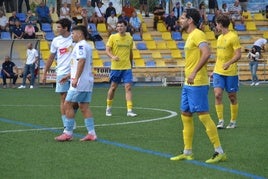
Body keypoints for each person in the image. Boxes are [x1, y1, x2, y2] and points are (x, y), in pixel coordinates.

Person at [170, 8, 226, 164]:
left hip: (198, 82)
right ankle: (187, 152)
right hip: (189, 83)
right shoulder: (190, 36)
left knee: (203, 116)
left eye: (182, 18)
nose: (179, 20)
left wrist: (194, 72)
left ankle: (219, 151)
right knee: (185, 115)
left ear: (190, 20)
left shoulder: (198, 34)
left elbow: (207, 53)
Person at [55, 25, 97, 142]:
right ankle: (91, 133)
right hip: (86, 81)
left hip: (80, 82)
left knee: (67, 104)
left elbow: (82, 61)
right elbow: (80, 64)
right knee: (84, 107)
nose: (72, 35)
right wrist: (69, 76)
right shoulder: (85, 46)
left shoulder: (81, 46)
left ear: (79, 34)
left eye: (73, 33)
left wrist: (75, 78)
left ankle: (68, 133)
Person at [42, 18, 77, 132]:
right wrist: (45, 72)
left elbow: (85, 31)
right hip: (61, 73)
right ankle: (66, 123)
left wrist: (85, 19)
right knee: (64, 98)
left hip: (74, 73)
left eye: (58, 27)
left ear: (65, 28)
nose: (56, 29)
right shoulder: (56, 41)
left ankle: (70, 116)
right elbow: (51, 57)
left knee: (76, 101)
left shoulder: (74, 38)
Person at [212, 14, 241, 129]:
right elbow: (219, 56)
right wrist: (214, 69)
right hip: (218, 71)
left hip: (230, 73)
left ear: (220, 24)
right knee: (218, 95)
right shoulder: (219, 38)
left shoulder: (233, 37)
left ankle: (233, 121)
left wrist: (228, 63)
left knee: (232, 97)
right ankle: (220, 120)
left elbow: (238, 55)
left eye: (216, 24)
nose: (215, 26)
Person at [105, 20, 137, 117]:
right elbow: (107, 50)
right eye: (118, 26)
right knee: (113, 88)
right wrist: (112, 56)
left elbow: (131, 52)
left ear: (125, 27)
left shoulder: (130, 38)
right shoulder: (113, 37)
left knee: (128, 87)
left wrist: (131, 64)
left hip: (127, 67)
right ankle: (108, 108)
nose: (119, 28)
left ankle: (129, 110)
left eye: (121, 26)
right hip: (116, 67)